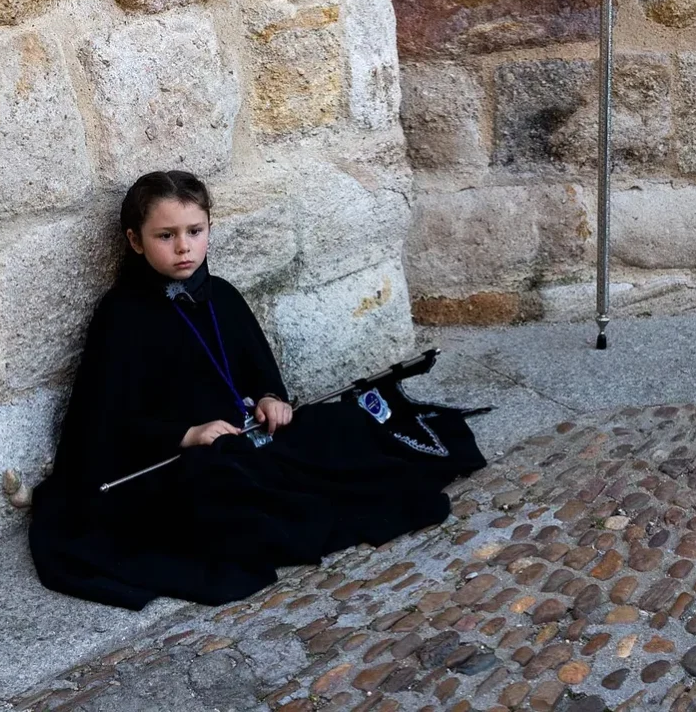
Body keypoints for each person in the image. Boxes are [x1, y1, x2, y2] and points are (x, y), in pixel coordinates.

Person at [29, 170, 486, 609]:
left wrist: (270, 398)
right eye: (165, 236)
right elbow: (105, 420)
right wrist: (187, 434)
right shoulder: (122, 315)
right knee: (224, 492)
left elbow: (259, 369)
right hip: (176, 455)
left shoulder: (221, 294)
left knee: (341, 425)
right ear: (135, 240)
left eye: (195, 231)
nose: (184, 248)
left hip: (249, 433)